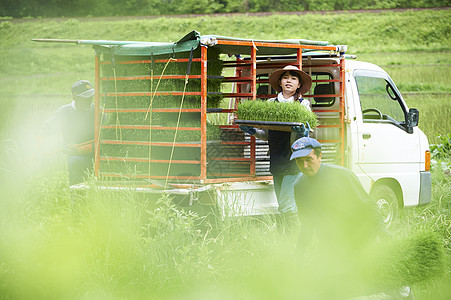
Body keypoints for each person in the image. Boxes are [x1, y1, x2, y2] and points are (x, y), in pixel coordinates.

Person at [239, 65, 312, 216]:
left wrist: (303, 134)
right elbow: (267, 134)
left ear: (299, 84)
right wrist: (252, 131)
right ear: (280, 82)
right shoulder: (271, 104)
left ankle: (290, 234)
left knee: (286, 204)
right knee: (282, 202)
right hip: (277, 158)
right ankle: (287, 233)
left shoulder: (303, 104)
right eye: (285, 77)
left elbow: (307, 135)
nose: (289, 81)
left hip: (293, 160)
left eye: (293, 78)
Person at [41, 80, 96, 185]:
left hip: (95, 155)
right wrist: (41, 144)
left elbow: (104, 138)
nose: (89, 99)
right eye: (85, 97)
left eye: (91, 96)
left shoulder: (98, 111)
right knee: (77, 188)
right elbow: (47, 129)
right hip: (74, 156)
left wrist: (82, 149)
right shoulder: (64, 112)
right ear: (75, 98)